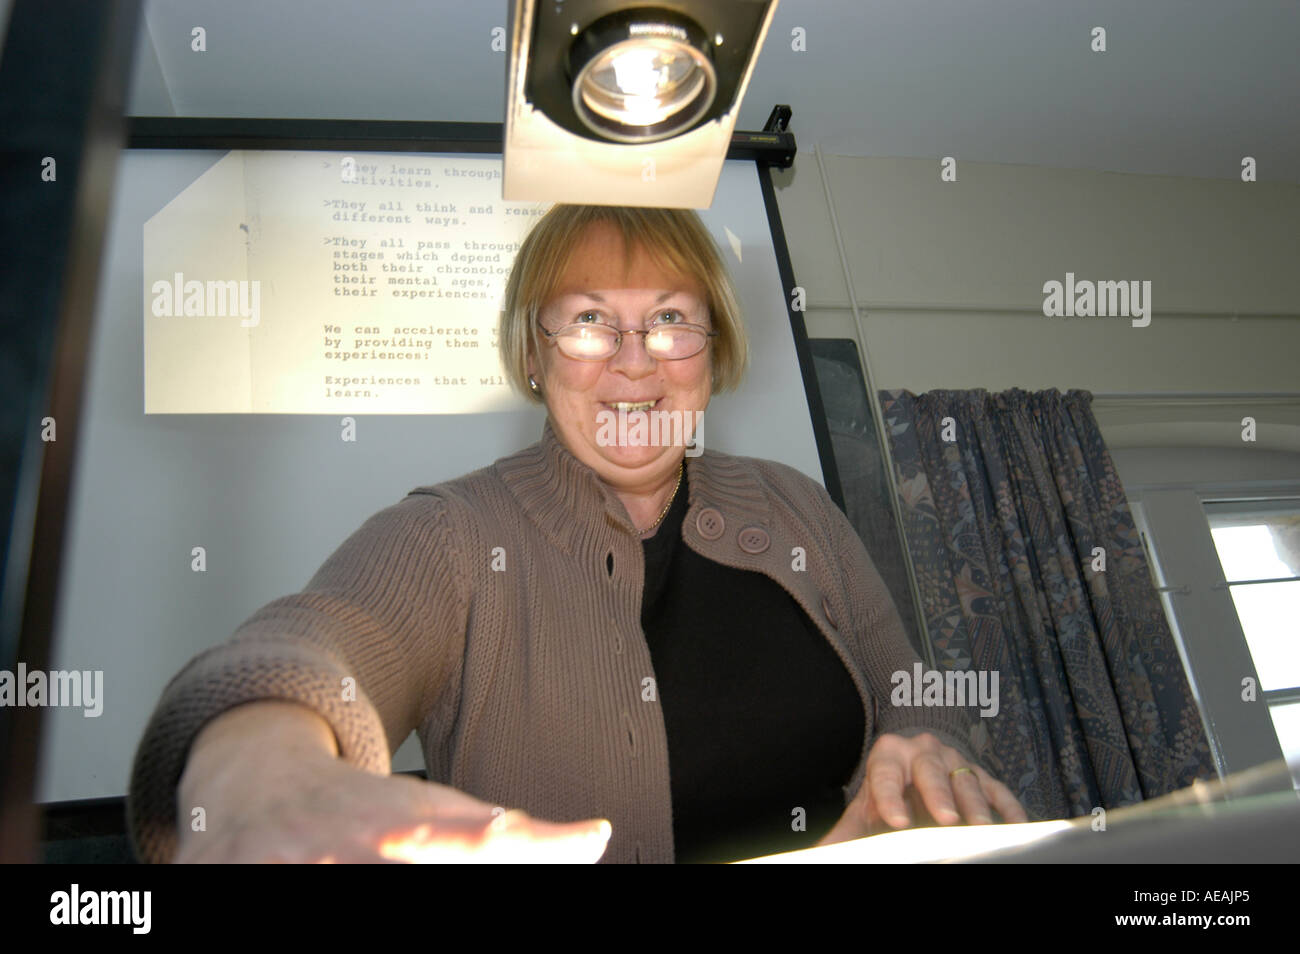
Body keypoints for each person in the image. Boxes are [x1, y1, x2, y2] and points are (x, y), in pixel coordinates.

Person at [127, 204, 1027, 864]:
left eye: (671, 319)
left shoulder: (795, 506)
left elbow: (910, 691)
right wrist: (264, 773)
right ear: (532, 353)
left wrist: (922, 766)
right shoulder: (449, 533)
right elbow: (314, 643)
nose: (635, 360)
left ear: (710, 356)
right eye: (591, 320)